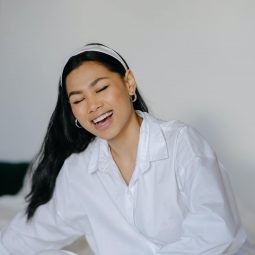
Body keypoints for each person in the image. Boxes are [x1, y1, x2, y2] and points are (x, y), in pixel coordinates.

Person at [0, 43, 252, 255]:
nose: (93, 105)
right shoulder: (79, 172)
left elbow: (217, 230)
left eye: (101, 88)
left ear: (129, 82)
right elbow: (25, 238)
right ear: (73, 112)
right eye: (78, 100)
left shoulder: (181, 143)